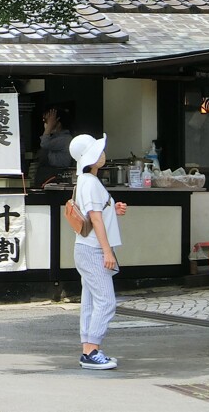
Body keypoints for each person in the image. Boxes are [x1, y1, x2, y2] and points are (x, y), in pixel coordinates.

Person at [69, 133, 128, 370]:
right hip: (93, 249)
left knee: (91, 301)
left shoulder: (85, 181)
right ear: (91, 158)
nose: (103, 154)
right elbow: (96, 219)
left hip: (85, 248)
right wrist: (107, 252)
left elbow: (98, 213)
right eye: (99, 151)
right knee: (106, 301)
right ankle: (91, 350)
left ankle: (89, 349)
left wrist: (115, 208)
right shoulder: (91, 183)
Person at [33, 106, 73, 187]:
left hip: (55, 175)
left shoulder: (65, 138)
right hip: (46, 173)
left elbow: (45, 144)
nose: (45, 123)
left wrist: (49, 126)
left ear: (58, 122)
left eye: (47, 120)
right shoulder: (54, 137)